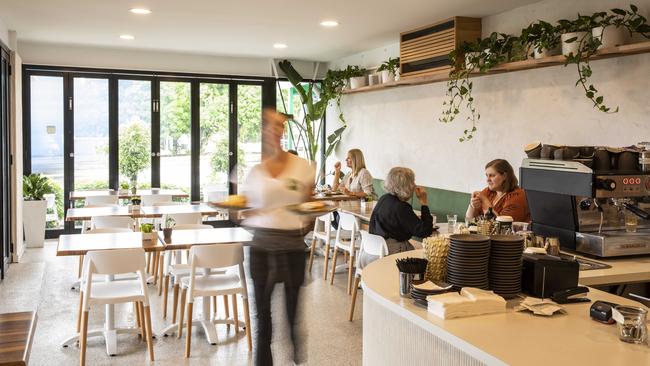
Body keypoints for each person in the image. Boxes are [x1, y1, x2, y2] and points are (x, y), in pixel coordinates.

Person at [242, 109, 314, 366]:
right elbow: (243, 210)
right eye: (269, 125)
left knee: (293, 319)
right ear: (263, 131)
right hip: (261, 248)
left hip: (292, 247)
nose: (274, 130)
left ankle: (297, 361)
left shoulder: (301, 167)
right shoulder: (256, 172)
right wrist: (241, 212)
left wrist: (305, 221)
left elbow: (309, 206)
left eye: (279, 125)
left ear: (282, 131)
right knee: (263, 318)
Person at [368, 167, 434, 265]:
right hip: (391, 254)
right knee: (426, 258)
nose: (415, 185)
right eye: (413, 182)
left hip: (373, 250)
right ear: (407, 186)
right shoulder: (402, 207)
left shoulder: (384, 199)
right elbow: (424, 231)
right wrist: (423, 202)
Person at [466, 159, 531, 223]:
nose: (488, 180)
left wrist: (485, 202)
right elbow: (469, 220)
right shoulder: (488, 191)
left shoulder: (517, 196)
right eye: (487, 176)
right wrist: (472, 206)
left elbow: (501, 226)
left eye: (492, 175)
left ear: (504, 176)